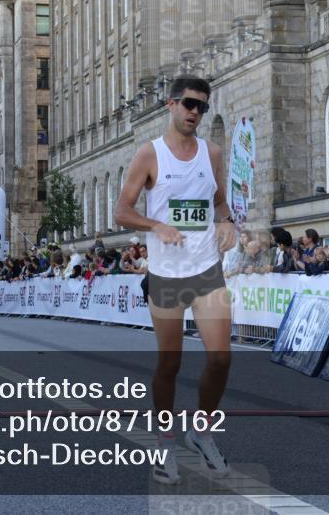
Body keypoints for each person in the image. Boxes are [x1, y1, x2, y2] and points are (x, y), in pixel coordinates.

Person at [114, 75, 236, 485]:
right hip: (166, 274)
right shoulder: (149, 155)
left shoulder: (212, 153)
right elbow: (122, 211)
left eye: (201, 106)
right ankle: (165, 442)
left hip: (205, 270)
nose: (194, 113)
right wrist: (156, 226)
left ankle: (200, 430)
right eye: (188, 104)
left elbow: (218, 200)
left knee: (221, 357)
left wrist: (227, 222)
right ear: (170, 105)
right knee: (170, 362)